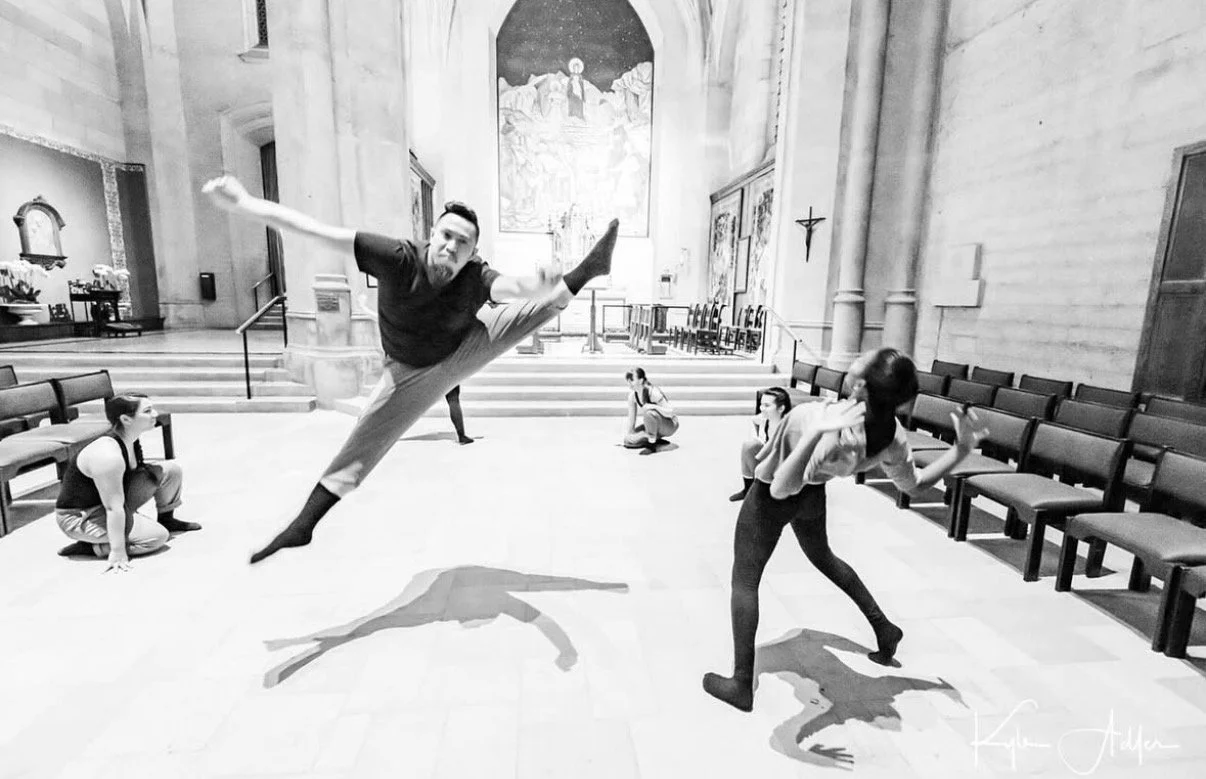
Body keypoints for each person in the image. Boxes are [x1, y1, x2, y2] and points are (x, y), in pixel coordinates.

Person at [201, 175, 619, 564]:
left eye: (464, 243)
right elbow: (315, 231)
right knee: (363, 444)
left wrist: (540, 283)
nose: (452, 247)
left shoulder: (475, 274)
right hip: (410, 372)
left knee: (534, 311)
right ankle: (303, 526)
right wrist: (246, 204)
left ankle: (586, 271)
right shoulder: (397, 259)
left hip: (466, 346)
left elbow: (511, 288)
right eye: (447, 236)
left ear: (474, 252)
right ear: (431, 236)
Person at [702, 348, 988, 712]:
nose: (859, 357)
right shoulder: (890, 431)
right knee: (823, 557)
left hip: (775, 495)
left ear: (860, 385)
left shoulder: (830, 428)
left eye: (864, 359)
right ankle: (884, 627)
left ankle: (741, 683)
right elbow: (913, 485)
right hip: (813, 496)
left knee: (744, 580)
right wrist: (960, 450)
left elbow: (780, 488)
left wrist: (814, 433)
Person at [54, 394, 195, 573]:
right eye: (147, 411)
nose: (155, 414)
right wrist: (118, 551)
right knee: (156, 537)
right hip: (83, 515)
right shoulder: (108, 456)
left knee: (169, 471)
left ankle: (167, 520)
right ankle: (92, 547)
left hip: (112, 500)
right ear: (126, 419)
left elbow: (136, 476)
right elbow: (113, 508)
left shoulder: (130, 439)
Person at [358, 293, 474, 445]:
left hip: (422, 364)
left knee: (394, 398)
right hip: (444, 366)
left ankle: (367, 426)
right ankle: (461, 436)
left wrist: (363, 307)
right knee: (453, 399)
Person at [730, 387, 793, 502]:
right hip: (771, 461)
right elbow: (753, 420)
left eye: (767, 405)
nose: (762, 409)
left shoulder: (789, 428)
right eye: (761, 404)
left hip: (785, 468)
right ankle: (749, 489)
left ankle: (765, 492)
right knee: (748, 446)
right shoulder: (765, 419)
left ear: (781, 408)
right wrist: (758, 439)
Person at [622, 367, 678, 453]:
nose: (629, 383)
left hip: (670, 424)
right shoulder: (632, 396)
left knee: (649, 413)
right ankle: (654, 439)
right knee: (627, 440)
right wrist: (630, 435)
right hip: (653, 424)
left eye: (632, 380)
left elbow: (671, 413)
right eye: (628, 380)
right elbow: (631, 419)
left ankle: (651, 445)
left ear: (640, 380)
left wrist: (653, 406)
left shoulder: (653, 392)